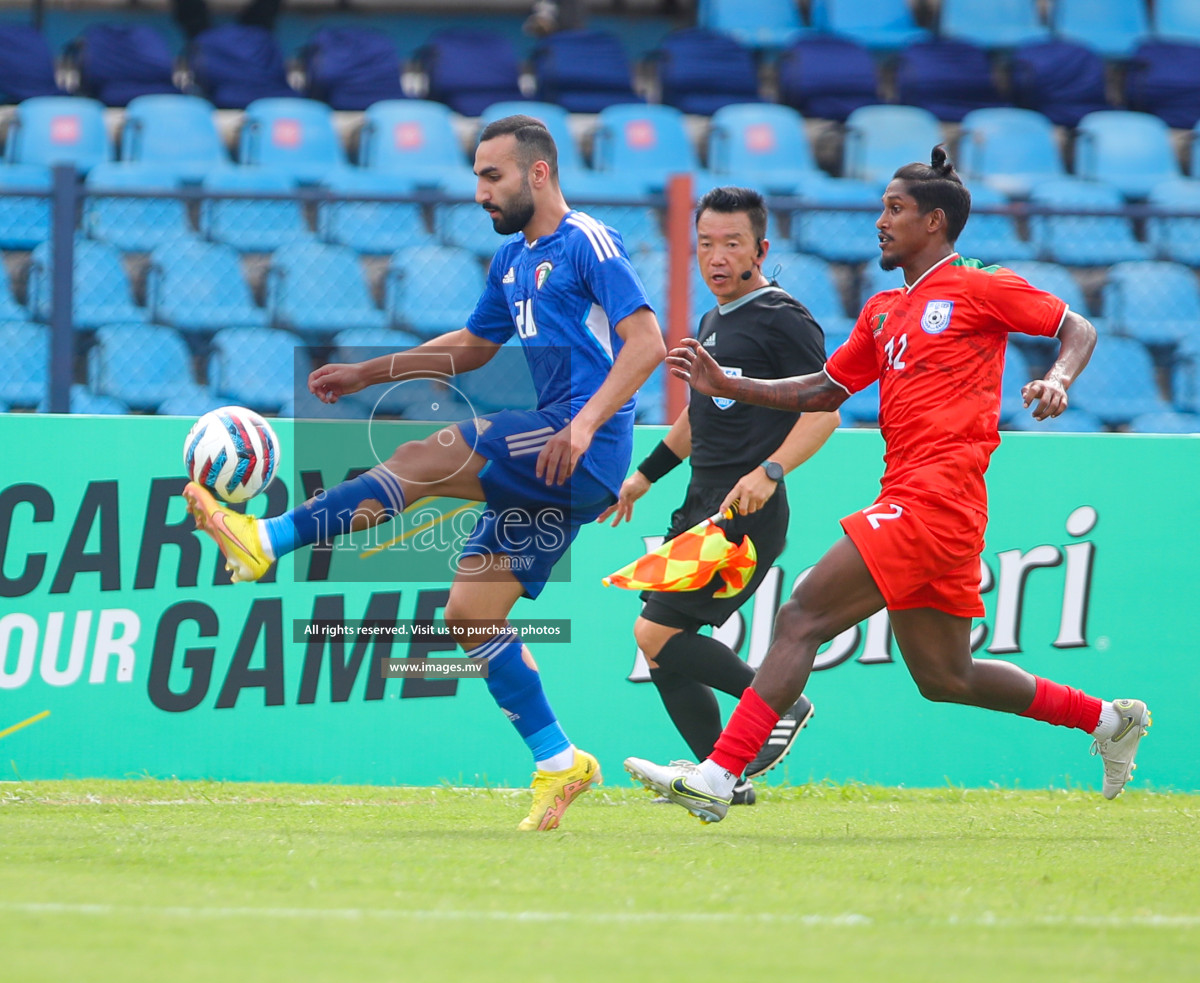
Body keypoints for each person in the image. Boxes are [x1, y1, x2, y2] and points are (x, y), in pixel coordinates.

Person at [184, 115, 666, 831]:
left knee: (427, 456)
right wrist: (366, 373)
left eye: (491, 175)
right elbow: (473, 345)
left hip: (583, 442)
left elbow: (647, 343)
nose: (479, 192)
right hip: (562, 453)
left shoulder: (586, 241)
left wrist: (586, 422)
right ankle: (560, 761)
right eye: (476, 176)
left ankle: (269, 539)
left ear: (538, 173)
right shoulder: (510, 262)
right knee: (470, 614)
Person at [656, 146, 1149, 823]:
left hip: (937, 496)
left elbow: (1075, 327)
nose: (880, 222)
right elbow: (824, 388)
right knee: (947, 677)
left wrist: (1057, 379)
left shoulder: (978, 284)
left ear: (935, 222)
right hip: (921, 499)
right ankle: (1106, 720)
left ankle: (720, 773)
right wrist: (729, 384)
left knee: (802, 614)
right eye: (882, 208)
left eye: (895, 210)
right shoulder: (886, 308)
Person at [598, 186, 838, 810]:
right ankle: (725, 780)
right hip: (700, 507)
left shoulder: (784, 318)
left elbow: (826, 411)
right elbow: (698, 416)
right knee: (659, 649)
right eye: (705, 244)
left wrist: (771, 472)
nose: (717, 257)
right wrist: (644, 475)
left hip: (745, 513)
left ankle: (781, 701)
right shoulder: (715, 319)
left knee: (654, 631)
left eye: (732, 244)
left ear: (761, 248)